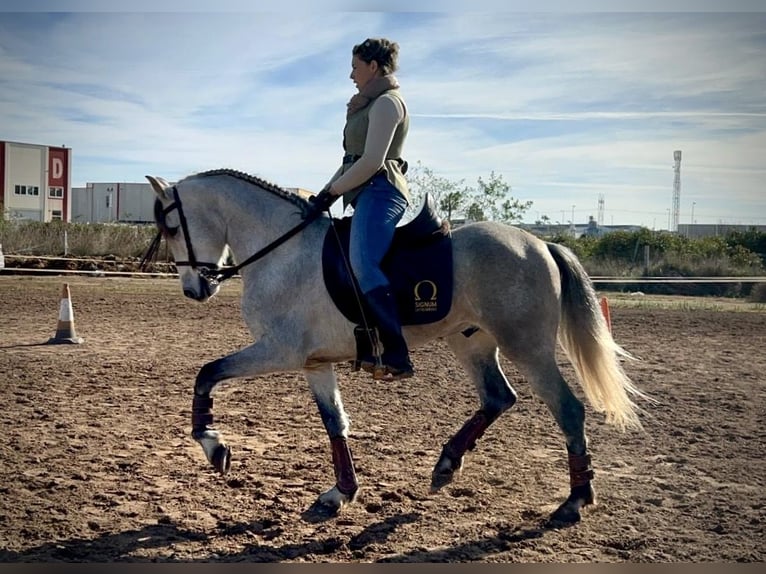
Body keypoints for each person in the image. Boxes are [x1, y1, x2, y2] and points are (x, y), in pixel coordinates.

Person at [311, 37, 413, 381]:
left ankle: (397, 353)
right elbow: (350, 161)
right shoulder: (367, 104)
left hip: (383, 191)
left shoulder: (387, 103)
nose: (351, 74)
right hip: (363, 191)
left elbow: (372, 161)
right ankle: (364, 337)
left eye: (355, 66)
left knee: (363, 263)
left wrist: (334, 191)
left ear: (373, 66)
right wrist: (324, 193)